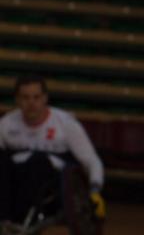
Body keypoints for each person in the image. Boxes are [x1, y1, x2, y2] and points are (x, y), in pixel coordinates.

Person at [0, 74, 105, 225]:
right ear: (17, 100)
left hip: (53, 184)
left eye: (36, 97)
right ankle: (5, 219)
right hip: (16, 180)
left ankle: (22, 217)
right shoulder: (6, 124)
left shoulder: (66, 124)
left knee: (38, 161)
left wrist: (95, 189)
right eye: (25, 97)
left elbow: (91, 160)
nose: (31, 103)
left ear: (45, 98)